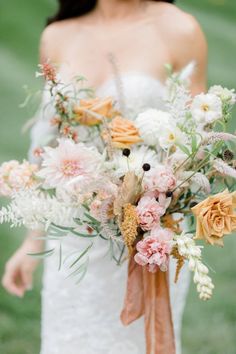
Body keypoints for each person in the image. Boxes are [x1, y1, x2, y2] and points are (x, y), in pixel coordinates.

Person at [2, 1, 207, 353]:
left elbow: (197, 141)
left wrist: (155, 195)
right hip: (72, 237)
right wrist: (33, 242)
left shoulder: (179, 29)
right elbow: (51, 144)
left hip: (145, 239)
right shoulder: (57, 35)